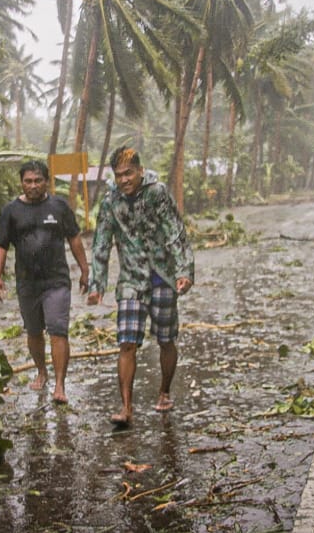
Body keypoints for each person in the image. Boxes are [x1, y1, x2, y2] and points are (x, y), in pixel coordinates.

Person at [87, 147, 194, 426]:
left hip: (162, 276)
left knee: (165, 339)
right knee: (127, 342)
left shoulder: (157, 193)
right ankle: (126, 407)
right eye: (119, 175)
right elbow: (101, 242)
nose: (124, 180)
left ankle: (164, 391)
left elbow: (175, 231)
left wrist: (184, 270)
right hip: (131, 280)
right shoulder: (111, 202)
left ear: (140, 170)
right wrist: (97, 284)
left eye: (129, 173)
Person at [0, 160, 89, 404]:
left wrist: (85, 270)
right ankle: (41, 371)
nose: (33, 185)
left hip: (56, 280)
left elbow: (74, 238)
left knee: (58, 329)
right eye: (28, 181)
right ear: (21, 182)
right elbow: (0, 244)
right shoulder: (10, 211)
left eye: (38, 180)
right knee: (34, 332)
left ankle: (59, 385)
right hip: (27, 282)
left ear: (46, 181)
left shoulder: (59, 206)